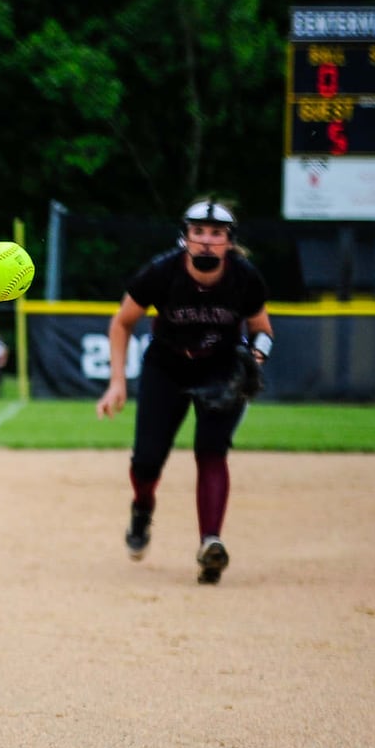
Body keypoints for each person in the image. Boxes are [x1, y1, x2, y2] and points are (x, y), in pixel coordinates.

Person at [95, 198, 274, 585]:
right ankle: (142, 509)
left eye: (216, 234)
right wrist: (117, 382)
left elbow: (263, 330)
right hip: (168, 368)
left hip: (222, 368)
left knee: (211, 452)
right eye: (199, 233)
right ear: (185, 238)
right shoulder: (162, 273)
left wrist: (256, 357)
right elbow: (122, 323)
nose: (207, 242)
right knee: (146, 461)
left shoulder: (244, 277)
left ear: (229, 242)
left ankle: (211, 543)